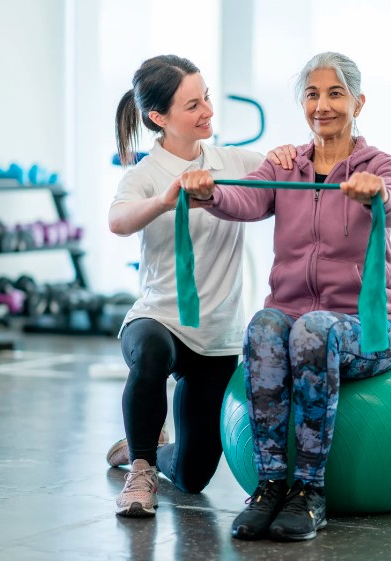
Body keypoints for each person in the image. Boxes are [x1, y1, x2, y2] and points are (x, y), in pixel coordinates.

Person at [180, 52, 391, 541]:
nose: (322, 105)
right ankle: (269, 487)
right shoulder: (286, 165)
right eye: (312, 94)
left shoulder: (379, 165)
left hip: (368, 328)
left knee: (311, 330)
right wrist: (208, 191)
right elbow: (245, 198)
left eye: (335, 93)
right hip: (294, 320)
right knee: (266, 324)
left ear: (358, 102)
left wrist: (377, 193)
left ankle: (309, 492)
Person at [107, 54, 290, 518]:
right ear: (159, 117)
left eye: (206, 96)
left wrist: (290, 156)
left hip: (215, 337)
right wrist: (165, 201)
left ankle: (140, 447)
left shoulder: (234, 162)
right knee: (149, 354)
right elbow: (118, 220)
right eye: (193, 105)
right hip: (160, 319)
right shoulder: (145, 175)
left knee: (192, 478)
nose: (207, 110)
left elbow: (286, 173)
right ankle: (141, 469)